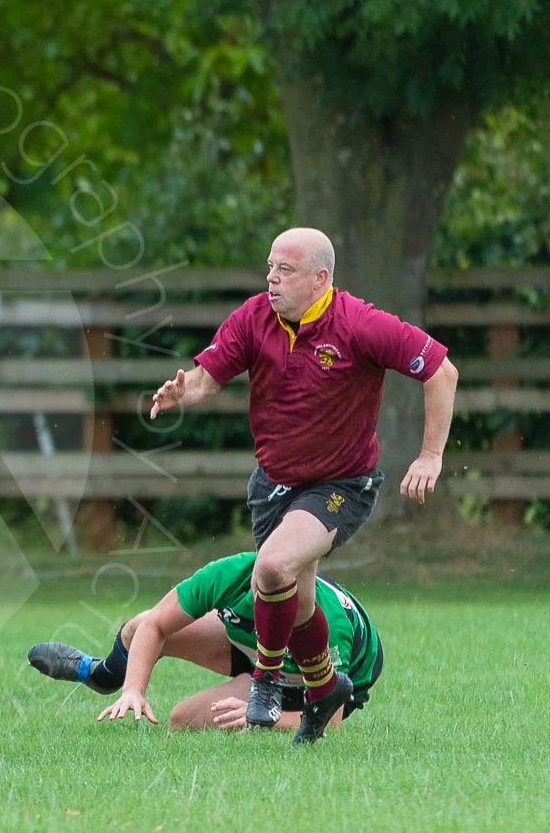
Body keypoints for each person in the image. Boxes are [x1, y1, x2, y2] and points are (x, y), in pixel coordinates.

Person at [150, 227, 455, 742]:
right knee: (299, 606)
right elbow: (206, 377)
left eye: (284, 270)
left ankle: (265, 685)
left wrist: (430, 456)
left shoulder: (360, 324)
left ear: (320, 279)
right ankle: (325, 689)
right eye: (269, 268)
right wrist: (185, 392)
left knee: (272, 568)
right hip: (273, 485)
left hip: (342, 483)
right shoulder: (254, 317)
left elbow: (441, 372)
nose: (271, 279)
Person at [28, 552, 382, 736]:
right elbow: (156, 625)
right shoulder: (229, 575)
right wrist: (133, 690)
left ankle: (261, 697)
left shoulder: (328, 626)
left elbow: (330, 722)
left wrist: (262, 719)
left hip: (301, 684)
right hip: (251, 649)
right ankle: (103, 676)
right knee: (139, 627)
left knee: (181, 720)